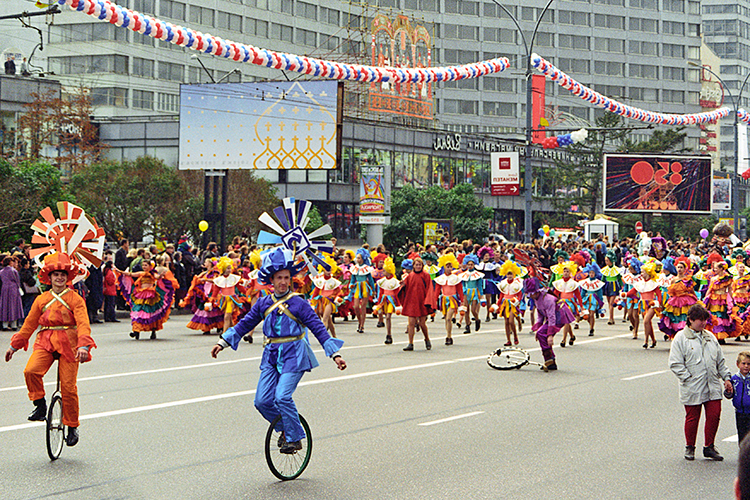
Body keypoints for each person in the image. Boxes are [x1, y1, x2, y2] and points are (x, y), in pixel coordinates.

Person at [210, 247, 346, 454]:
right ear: (271, 280)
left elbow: (318, 327)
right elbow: (245, 323)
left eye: (286, 277)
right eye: (279, 278)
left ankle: (294, 437)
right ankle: (285, 427)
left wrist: (335, 354)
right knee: (262, 401)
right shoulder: (264, 303)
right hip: (271, 355)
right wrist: (223, 342)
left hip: (295, 355)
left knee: (282, 397)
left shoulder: (299, 303)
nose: (283, 282)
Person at [4, 252, 96, 447]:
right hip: (45, 340)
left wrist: (84, 346)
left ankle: (71, 426)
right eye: (55, 274)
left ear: (67, 277)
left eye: (63, 274)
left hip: (69, 343)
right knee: (31, 370)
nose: (59, 277)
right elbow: (29, 324)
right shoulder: (42, 299)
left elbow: (83, 323)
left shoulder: (75, 298)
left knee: (68, 388)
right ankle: (39, 404)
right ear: (49, 277)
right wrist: (15, 345)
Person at [668, 303, 733, 461]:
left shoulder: (710, 337)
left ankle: (709, 446)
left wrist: (726, 378)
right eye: (699, 320)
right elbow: (675, 363)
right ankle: (690, 446)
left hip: (712, 384)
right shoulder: (680, 338)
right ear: (690, 320)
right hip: (692, 385)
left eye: (705, 320)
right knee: (692, 417)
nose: (703, 323)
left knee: (714, 415)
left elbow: (720, 361)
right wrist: (687, 378)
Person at [397, 257, 433, 351]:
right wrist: (403, 285)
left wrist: (428, 301)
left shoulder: (425, 275)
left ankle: (427, 339)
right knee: (411, 323)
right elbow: (405, 286)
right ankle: (410, 343)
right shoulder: (410, 275)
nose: (418, 266)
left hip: (422, 302)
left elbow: (429, 288)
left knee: (422, 323)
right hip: (412, 301)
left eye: (419, 265)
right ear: (413, 266)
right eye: (416, 265)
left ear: (422, 266)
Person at [0, 256, 24, 331]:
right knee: (13, 306)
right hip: (13, 289)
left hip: (4, 289)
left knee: (5, 306)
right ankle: (14, 324)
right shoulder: (14, 271)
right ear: (10, 262)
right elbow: (17, 281)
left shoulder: (1, 271)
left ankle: (5, 324)